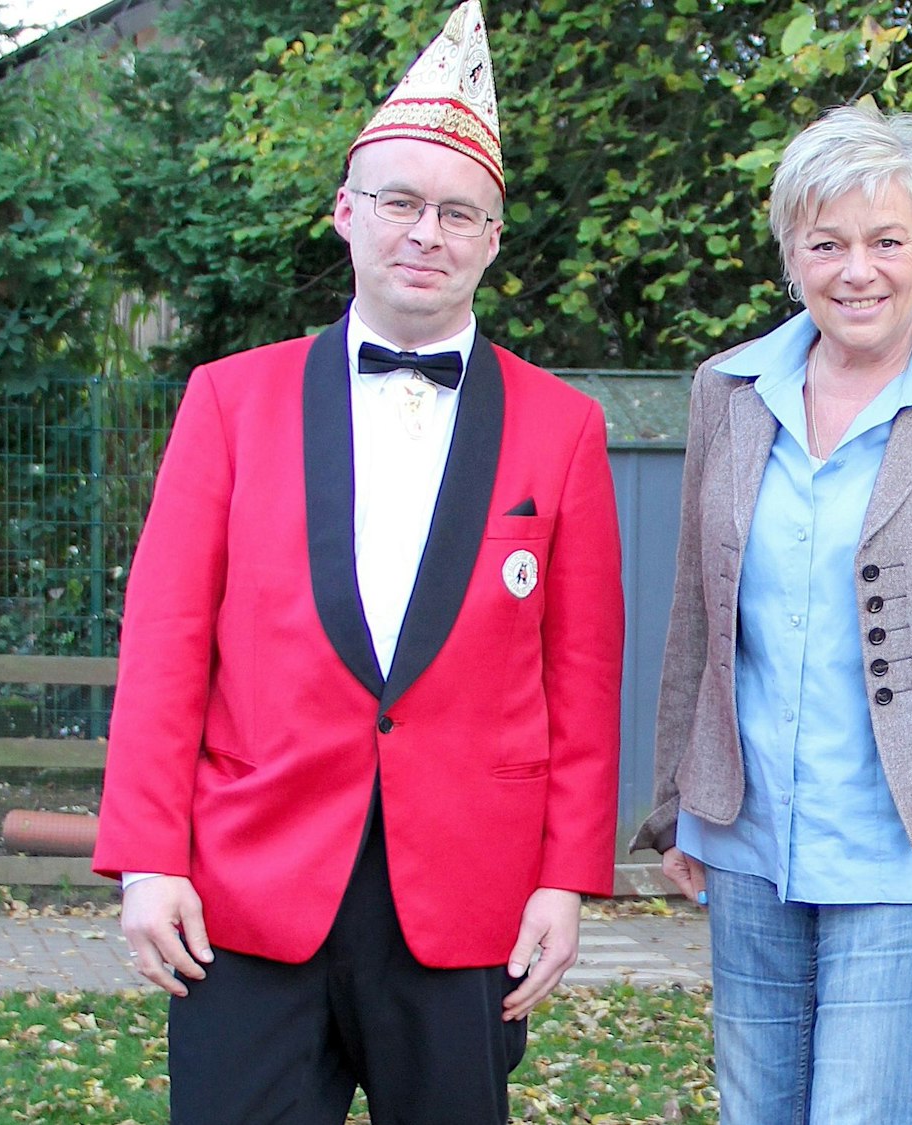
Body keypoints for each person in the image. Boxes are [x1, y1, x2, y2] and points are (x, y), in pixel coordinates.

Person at [91, 5, 625, 1121]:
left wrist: (563, 878)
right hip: (248, 886)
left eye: (457, 213)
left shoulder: (562, 426)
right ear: (346, 213)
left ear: (491, 239)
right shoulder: (226, 401)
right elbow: (166, 640)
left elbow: (581, 674)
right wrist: (150, 857)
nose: (425, 232)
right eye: (400, 202)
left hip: (464, 893)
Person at [629, 101, 912, 1123]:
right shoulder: (729, 391)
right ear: (789, 252)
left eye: (886, 241)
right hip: (747, 843)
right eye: (825, 243)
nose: (857, 270)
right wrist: (674, 799)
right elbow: (698, 619)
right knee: (760, 1112)